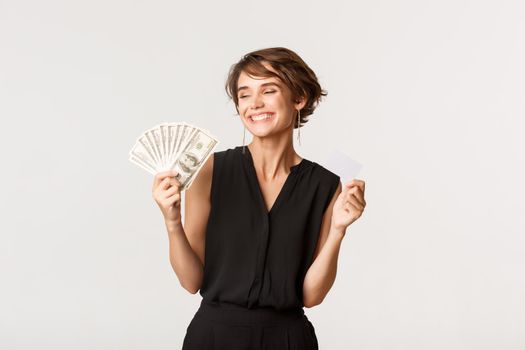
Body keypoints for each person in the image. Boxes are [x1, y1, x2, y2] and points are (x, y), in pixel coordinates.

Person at [152, 47, 366, 350]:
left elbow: (312, 296)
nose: (254, 104)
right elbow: (190, 282)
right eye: (244, 95)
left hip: (289, 340)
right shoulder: (209, 170)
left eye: (268, 90)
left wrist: (338, 230)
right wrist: (171, 221)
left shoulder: (326, 184)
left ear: (299, 98)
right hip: (213, 338)